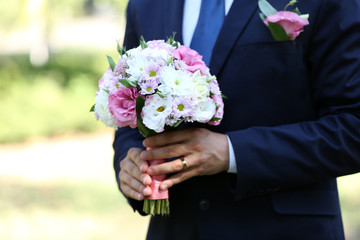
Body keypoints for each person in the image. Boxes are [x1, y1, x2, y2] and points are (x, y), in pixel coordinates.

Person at [113, 0, 360, 239]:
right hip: (176, 229)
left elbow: (353, 127)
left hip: (283, 229)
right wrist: (132, 162)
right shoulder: (144, 4)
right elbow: (131, 111)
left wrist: (233, 153)